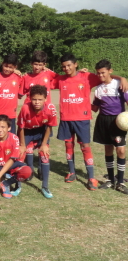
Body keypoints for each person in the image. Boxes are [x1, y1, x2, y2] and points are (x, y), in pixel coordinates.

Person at [52, 54, 127, 189]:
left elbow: (105, 76)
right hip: (66, 118)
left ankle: (91, 177)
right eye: (64, 66)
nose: (66, 68)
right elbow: (46, 79)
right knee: (69, 145)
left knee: (85, 146)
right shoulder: (61, 79)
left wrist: (122, 78)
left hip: (83, 120)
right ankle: (72, 172)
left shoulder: (87, 77)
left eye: (69, 65)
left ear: (76, 64)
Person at [91, 59, 128, 194]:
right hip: (103, 120)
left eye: (103, 73)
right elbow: (95, 108)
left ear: (110, 71)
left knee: (121, 151)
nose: (100, 76)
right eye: (98, 73)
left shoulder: (119, 84)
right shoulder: (98, 89)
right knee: (108, 149)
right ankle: (111, 179)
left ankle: (120, 182)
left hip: (117, 122)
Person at [17, 85, 57, 198]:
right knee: (20, 155)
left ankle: (45, 186)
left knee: (44, 155)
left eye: (40, 99)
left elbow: (49, 127)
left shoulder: (51, 108)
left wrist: (44, 144)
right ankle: (17, 185)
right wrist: (22, 145)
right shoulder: (25, 108)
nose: (37, 102)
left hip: (41, 132)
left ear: (45, 99)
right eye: (34, 99)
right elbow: (20, 128)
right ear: (30, 98)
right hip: (27, 132)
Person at [0, 115, 31, 199]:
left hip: (8, 165)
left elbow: (12, 160)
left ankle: (5, 184)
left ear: (9, 128)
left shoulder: (14, 138)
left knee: (27, 171)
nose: (0, 130)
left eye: (3, 127)